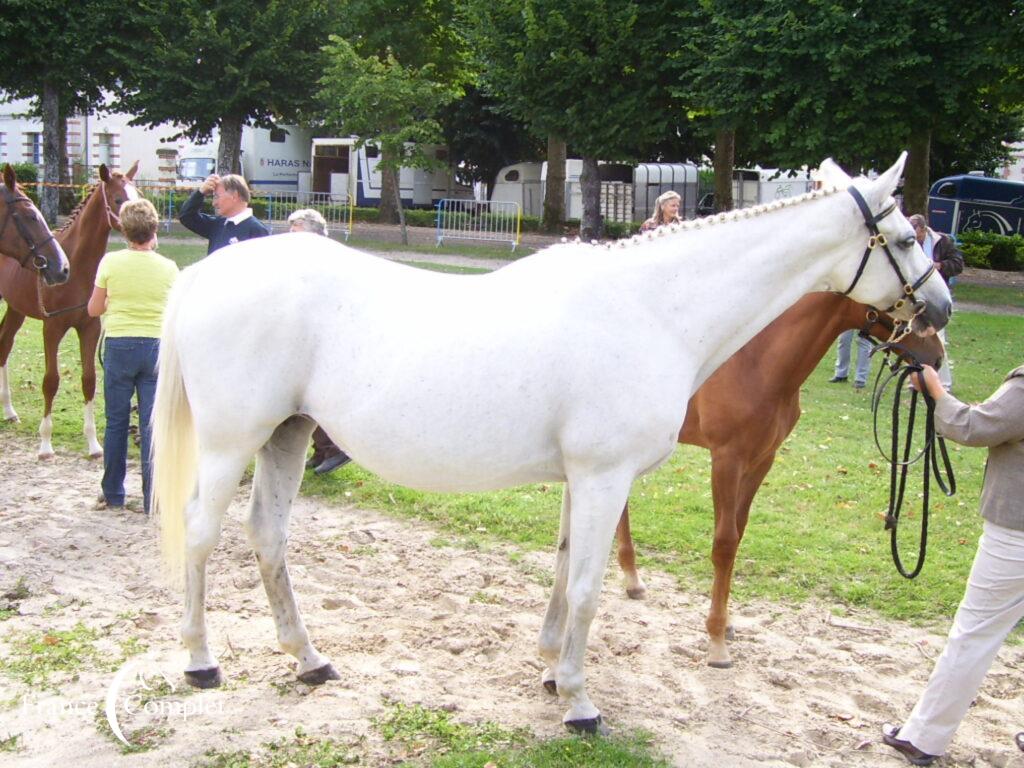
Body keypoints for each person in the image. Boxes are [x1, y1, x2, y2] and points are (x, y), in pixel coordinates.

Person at [882, 361, 1024, 766]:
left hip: (1017, 530)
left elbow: (973, 428)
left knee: (974, 633)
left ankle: (923, 737)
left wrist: (936, 394)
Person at [88, 199, 179, 513]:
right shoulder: (168, 267)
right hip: (155, 346)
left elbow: (93, 308)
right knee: (152, 425)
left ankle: (113, 491)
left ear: (124, 231)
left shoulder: (110, 263)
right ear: (154, 230)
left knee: (116, 421)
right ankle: (153, 495)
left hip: (120, 343)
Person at [286, 208, 352, 476]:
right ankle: (321, 450)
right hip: (308, 338)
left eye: (296, 231)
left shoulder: (328, 260)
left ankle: (337, 448)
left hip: (329, 340)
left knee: (318, 397)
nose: (289, 237)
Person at [909, 214, 964, 391]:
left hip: (936, 295)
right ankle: (917, 380)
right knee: (916, 337)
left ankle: (944, 383)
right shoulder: (910, 242)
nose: (914, 236)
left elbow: (958, 264)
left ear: (924, 229)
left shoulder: (942, 242)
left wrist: (939, 265)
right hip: (916, 296)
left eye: (916, 233)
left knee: (937, 337)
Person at [179, 173, 270, 254]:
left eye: (217, 197)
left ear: (234, 196)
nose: (214, 203)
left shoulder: (256, 230)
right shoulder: (218, 224)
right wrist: (201, 192)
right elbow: (186, 217)